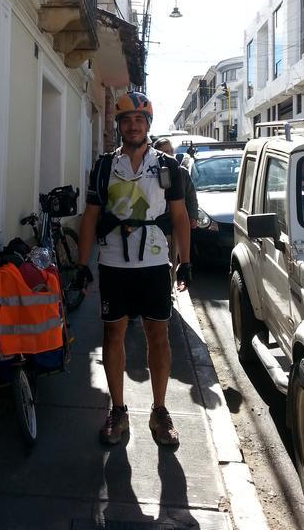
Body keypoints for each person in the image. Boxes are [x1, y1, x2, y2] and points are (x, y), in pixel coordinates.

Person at [78, 92, 191, 447]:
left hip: (155, 263)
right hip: (113, 263)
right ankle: (118, 410)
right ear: (119, 125)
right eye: (126, 120)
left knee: (159, 336)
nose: (132, 125)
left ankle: (159, 410)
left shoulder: (167, 167)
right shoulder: (103, 167)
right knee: (113, 337)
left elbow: (179, 216)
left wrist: (185, 261)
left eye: (139, 120)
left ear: (148, 126)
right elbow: (91, 216)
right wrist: (81, 266)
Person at [153, 136, 198, 290]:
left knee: (174, 256)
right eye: (164, 151)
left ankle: (170, 286)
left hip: (178, 222)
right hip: (160, 223)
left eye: (170, 151)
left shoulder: (181, 172)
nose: (169, 154)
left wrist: (193, 216)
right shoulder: (152, 172)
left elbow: (191, 195)